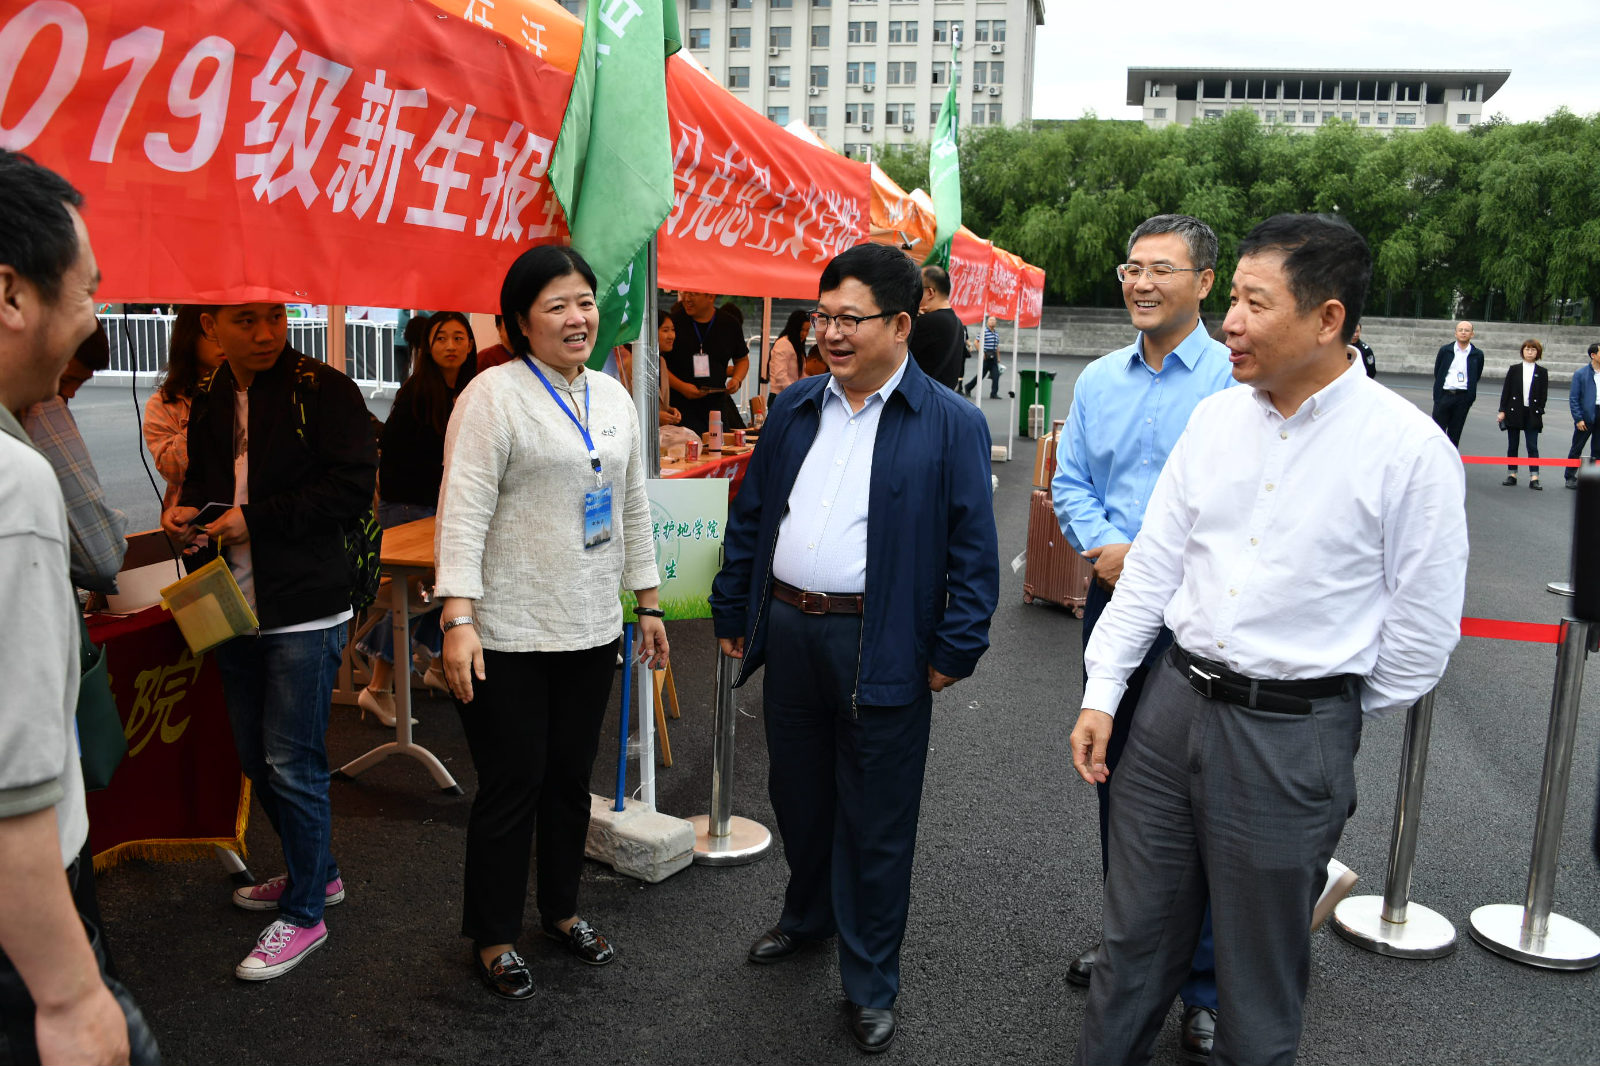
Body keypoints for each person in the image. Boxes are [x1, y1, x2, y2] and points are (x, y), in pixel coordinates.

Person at [1070, 214, 1467, 1066]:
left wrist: (1318, 707)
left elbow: (1422, 634)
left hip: (1293, 737)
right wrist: (1105, 692)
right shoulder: (1215, 424)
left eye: (1254, 302)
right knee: (1133, 944)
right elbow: (1152, 575)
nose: (1231, 324)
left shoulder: (1407, 450)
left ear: (1329, 319)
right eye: (1234, 299)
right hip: (1171, 708)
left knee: (1258, 978)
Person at [710, 242, 999, 1054]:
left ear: (902, 324)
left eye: (849, 320)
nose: (829, 334)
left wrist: (954, 650)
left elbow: (974, 556)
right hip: (793, 634)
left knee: (876, 822)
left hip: (885, 641)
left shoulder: (949, 423)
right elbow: (753, 518)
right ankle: (808, 917)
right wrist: (735, 607)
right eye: (822, 318)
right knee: (799, 798)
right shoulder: (798, 407)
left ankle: (871, 981)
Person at [432, 245, 668, 1002]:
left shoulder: (613, 395)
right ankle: (494, 934)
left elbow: (631, 503)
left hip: (592, 622)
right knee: (513, 785)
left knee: (570, 782)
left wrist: (648, 601)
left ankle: (562, 910)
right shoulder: (492, 395)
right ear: (519, 322)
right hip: (507, 628)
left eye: (586, 301)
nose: (578, 317)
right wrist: (457, 617)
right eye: (558, 305)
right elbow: (461, 511)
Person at [1051, 213, 1235, 1062]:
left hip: (1205, 624)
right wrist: (1104, 549)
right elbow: (1072, 482)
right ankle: (1134, 949)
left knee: (1209, 807)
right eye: (1131, 268)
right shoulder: (1097, 380)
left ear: (1206, 281)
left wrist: (1156, 558)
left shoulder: (1238, 381)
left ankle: (1201, 984)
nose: (1141, 283)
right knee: (1116, 787)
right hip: (1117, 606)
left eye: (1162, 269)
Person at [162, 302, 377, 981]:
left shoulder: (324, 388)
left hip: (305, 608)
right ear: (212, 328)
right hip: (231, 602)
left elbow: (350, 490)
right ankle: (320, 875)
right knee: (256, 756)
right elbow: (203, 480)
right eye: (246, 320)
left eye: (275, 318)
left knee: (295, 762)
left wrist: (252, 520)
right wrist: (182, 511)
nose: (265, 334)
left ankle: (307, 912)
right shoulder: (212, 392)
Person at [0, 148, 159, 1066]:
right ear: (13, 295)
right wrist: (69, 996)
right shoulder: (17, 479)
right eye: (88, 289)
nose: (96, 315)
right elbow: (14, 785)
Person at [355, 312, 477, 726]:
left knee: (444, 592)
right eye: (441, 338)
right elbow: (399, 458)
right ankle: (378, 687)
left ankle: (437, 667)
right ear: (427, 346)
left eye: (460, 337)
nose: (451, 345)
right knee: (417, 597)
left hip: (444, 506)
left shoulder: (470, 388)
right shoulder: (416, 392)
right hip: (410, 506)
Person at [22, 324, 129, 594]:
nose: (68, 394)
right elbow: (101, 558)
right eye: (68, 379)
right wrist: (115, 524)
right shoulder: (40, 405)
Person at [145, 306, 227, 511]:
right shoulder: (164, 403)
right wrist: (210, 408)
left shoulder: (253, 389)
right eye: (211, 331)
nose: (223, 340)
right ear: (190, 337)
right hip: (193, 520)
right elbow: (172, 468)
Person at [664, 290, 748, 434]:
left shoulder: (729, 324)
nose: (686, 299)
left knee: (718, 450)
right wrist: (682, 387)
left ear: (711, 296)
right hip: (679, 408)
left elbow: (742, 360)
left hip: (716, 407)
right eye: (685, 293)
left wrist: (737, 379)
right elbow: (658, 365)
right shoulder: (673, 323)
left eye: (693, 294)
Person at [1496, 338, 1549, 489]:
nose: (1530, 352)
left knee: (1532, 446)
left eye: (1533, 349)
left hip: (1532, 412)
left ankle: (1534, 477)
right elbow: (1506, 391)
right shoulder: (1514, 369)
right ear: (1522, 351)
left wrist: (1539, 409)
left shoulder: (1542, 372)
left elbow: (1543, 394)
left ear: (1538, 352)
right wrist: (1502, 410)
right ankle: (1512, 474)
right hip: (1514, 411)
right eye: (1527, 349)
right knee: (1513, 444)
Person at [907, 264, 966, 390]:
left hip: (921, 399)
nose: (913, 293)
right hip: (942, 397)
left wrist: (912, 319)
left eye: (916, 288)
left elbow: (895, 357)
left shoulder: (927, 322)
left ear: (930, 292)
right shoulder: (957, 322)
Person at [1430, 320, 1484, 447]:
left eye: (1467, 330)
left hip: (1463, 397)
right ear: (1455, 333)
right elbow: (1438, 372)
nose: (1463, 332)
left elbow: (1476, 375)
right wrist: (1438, 395)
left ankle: (1450, 465)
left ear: (1472, 334)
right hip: (1444, 395)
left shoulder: (1477, 354)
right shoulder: (1445, 350)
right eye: (1461, 330)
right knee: (1437, 432)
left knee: (1455, 434)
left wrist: (1469, 397)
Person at [1565, 342, 1600, 489]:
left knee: (1598, 448)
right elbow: (1574, 398)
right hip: (1586, 415)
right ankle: (1570, 477)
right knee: (1577, 447)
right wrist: (1578, 418)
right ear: (1593, 355)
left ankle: (1593, 478)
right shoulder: (1581, 374)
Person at [766, 308, 810, 397]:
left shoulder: (796, 345)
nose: (804, 334)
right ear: (795, 328)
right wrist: (795, 393)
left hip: (789, 394)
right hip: (780, 395)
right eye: (802, 330)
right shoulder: (783, 343)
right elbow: (780, 375)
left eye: (807, 330)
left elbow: (800, 375)